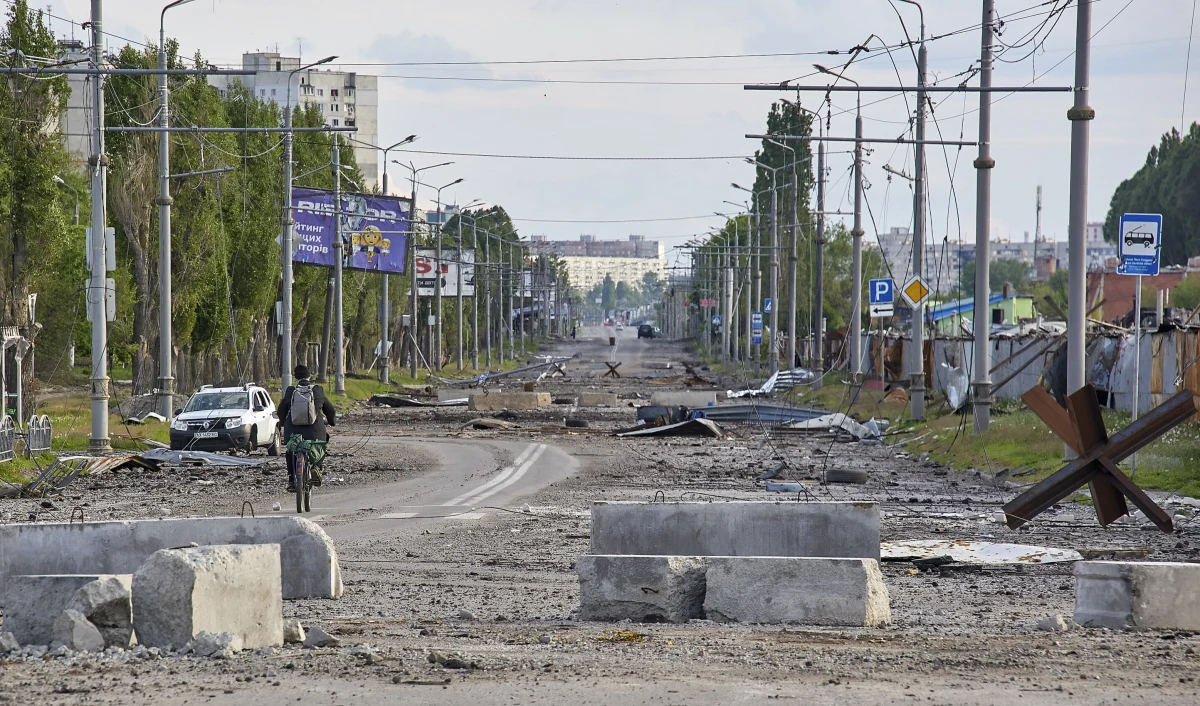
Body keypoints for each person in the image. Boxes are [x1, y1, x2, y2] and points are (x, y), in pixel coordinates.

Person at [277, 364, 337, 492]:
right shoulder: (317, 390)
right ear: (309, 376)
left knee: (290, 451)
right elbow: (330, 410)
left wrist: (283, 424)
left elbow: (281, 410)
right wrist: (332, 422)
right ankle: (316, 466)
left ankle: (292, 480)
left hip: (292, 431)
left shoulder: (291, 390)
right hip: (315, 431)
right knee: (321, 445)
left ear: (295, 377)